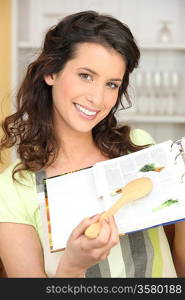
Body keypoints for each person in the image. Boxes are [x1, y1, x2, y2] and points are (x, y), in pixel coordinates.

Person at [0, 10, 184, 278]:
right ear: (51, 72)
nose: (98, 99)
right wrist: (72, 267)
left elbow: (176, 272)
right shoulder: (13, 190)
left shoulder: (140, 148)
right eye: (85, 76)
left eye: (111, 84)